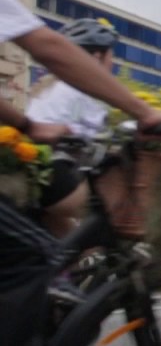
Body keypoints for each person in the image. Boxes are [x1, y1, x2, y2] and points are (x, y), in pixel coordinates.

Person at [1, 0, 161, 346]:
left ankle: (63, 286)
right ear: (99, 55)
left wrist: (26, 124)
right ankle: (61, 286)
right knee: (38, 252)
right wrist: (147, 113)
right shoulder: (77, 82)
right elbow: (48, 46)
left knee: (46, 234)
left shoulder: (59, 92)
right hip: (46, 165)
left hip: (33, 152)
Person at [24, 19, 119, 238]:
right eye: (111, 56)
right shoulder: (82, 90)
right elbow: (100, 137)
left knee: (64, 242)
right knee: (114, 203)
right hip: (57, 175)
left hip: (34, 171)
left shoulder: (50, 86)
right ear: (96, 57)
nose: (113, 62)